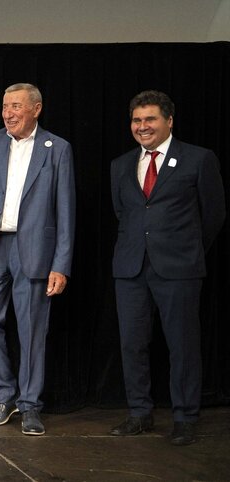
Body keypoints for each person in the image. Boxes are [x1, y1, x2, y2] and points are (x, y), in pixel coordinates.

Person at [0, 83, 75, 436]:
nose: (8, 113)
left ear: (36, 109)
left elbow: (66, 211)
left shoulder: (57, 148)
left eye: (16, 106)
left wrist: (61, 264)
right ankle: (5, 396)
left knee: (32, 329)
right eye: (5, 106)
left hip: (35, 251)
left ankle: (30, 405)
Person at [109, 90, 225, 446]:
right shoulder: (120, 165)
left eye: (150, 119)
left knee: (182, 346)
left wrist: (187, 250)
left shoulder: (198, 159)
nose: (142, 126)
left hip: (179, 269)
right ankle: (139, 413)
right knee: (132, 345)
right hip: (130, 269)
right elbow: (123, 213)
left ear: (169, 121)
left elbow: (214, 214)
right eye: (136, 120)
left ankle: (185, 417)